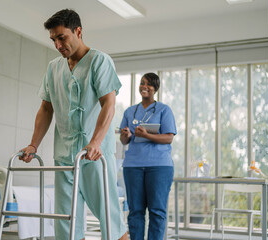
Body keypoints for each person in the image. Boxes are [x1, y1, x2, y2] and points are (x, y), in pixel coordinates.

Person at [19, 9, 128, 240]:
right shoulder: (53, 68)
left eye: (62, 37)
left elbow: (109, 104)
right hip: (65, 156)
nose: (58, 45)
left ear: (78, 31)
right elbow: (46, 108)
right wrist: (33, 145)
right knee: (65, 222)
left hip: (94, 155)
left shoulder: (99, 61)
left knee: (110, 221)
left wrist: (96, 142)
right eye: (53, 40)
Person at [119, 72, 176, 240]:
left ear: (155, 88)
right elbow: (124, 140)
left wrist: (147, 135)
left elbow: (169, 138)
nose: (145, 86)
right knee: (135, 211)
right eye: (142, 83)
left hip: (159, 166)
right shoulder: (130, 111)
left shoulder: (164, 110)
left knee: (157, 211)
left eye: (149, 84)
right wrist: (126, 134)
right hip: (133, 166)